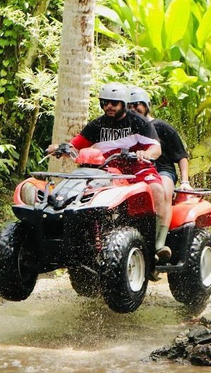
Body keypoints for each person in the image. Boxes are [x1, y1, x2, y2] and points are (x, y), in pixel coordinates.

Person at [47, 82, 172, 261]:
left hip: (138, 168)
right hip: (107, 171)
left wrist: (145, 153)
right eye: (105, 102)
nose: (108, 107)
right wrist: (60, 148)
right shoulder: (96, 125)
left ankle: (158, 244)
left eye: (113, 103)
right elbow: (75, 145)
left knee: (158, 190)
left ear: (123, 103)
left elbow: (156, 149)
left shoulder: (139, 122)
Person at [128, 86, 191, 217]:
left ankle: (161, 236)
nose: (133, 109)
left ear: (146, 106)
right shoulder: (126, 129)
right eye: (129, 106)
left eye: (136, 105)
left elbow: (181, 156)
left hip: (162, 170)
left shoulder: (161, 127)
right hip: (135, 171)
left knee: (164, 193)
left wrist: (185, 182)